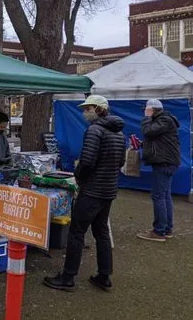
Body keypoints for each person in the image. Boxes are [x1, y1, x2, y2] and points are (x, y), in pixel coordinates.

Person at [44, 95, 125, 292]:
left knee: (76, 233)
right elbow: (120, 162)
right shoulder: (119, 134)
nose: (84, 112)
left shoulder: (95, 130)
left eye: (87, 108)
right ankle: (104, 276)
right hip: (108, 190)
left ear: (97, 109)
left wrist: (78, 177)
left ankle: (68, 277)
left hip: (92, 191)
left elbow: (87, 161)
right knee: (101, 232)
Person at [137, 99, 180, 242]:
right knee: (165, 196)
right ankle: (166, 229)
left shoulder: (164, 120)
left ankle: (159, 231)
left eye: (146, 109)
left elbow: (148, 131)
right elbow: (157, 139)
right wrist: (143, 144)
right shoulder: (164, 120)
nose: (144, 111)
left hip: (164, 163)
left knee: (159, 196)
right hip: (167, 162)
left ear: (151, 109)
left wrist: (147, 117)